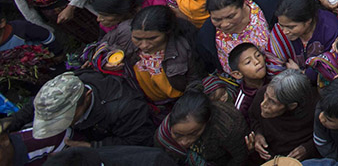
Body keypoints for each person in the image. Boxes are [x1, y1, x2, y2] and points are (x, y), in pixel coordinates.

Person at [23, 71, 157, 147]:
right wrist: (13, 121)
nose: (67, 124)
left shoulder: (126, 108)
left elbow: (141, 140)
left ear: (87, 96)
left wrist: (92, 147)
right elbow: (40, 103)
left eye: (68, 117)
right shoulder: (68, 82)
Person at [154, 90, 249, 165]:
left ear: (207, 122)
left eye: (193, 134)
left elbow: (240, 158)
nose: (183, 142)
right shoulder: (165, 132)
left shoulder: (228, 128)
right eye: (177, 135)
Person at [247, 69, 318, 162]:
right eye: (266, 96)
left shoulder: (315, 110)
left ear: (292, 106)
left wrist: (308, 149)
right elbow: (254, 118)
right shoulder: (262, 94)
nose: (263, 104)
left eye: (272, 101)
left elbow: (326, 138)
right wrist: (258, 134)